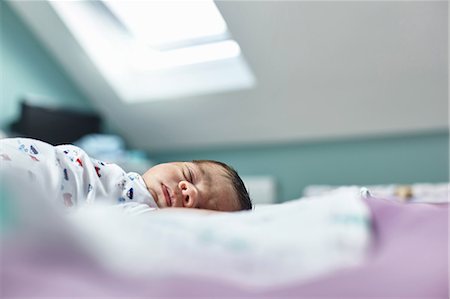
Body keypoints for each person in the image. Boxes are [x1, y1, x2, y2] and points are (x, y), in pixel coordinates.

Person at [0, 138, 252, 212]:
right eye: (189, 174)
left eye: (199, 208)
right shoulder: (122, 176)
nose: (189, 191)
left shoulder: (144, 213)